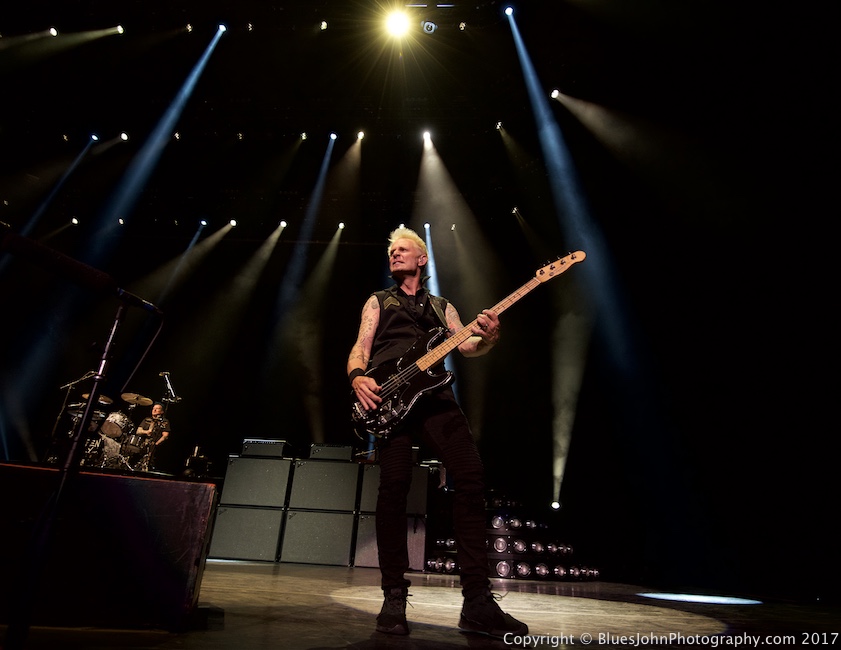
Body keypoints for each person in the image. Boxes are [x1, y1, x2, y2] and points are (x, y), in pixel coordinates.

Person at [347, 227, 528, 638]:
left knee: (471, 478)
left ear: (422, 258)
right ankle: (394, 596)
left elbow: (467, 346)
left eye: (403, 249)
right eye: (391, 250)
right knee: (394, 487)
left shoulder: (442, 306)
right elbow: (361, 346)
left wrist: (490, 337)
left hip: (435, 400)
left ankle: (477, 602)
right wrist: (358, 376)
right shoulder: (378, 301)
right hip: (390, 399)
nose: (394, 254)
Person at [135, 402, 171, 471]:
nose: (154, 410)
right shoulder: (147, 419)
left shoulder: (164, 422)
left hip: (154, 446)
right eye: (153, 408)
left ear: (162, 411)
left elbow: (165, 436)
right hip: (142, 444)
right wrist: (146, 432)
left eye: (157, 409)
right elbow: (138, 431)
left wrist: (156, 444)